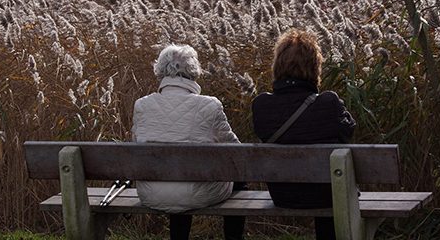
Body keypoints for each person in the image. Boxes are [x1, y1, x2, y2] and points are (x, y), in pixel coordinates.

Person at [251, 28, 356, 240]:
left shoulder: (261, 105)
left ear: (277, 65)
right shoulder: (328, 103)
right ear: (315, 67)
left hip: (282, 194)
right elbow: (348, 131)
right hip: (327, 195)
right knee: (329, 180)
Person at [132, 44, 245, 240]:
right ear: (193, 70)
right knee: (237, 181)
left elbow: (135, 144)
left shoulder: (142, 105)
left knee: (178, 178)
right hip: (197, 193)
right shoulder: (210, 105)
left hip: (152, 193)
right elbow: (236, 151)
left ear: (160, 70)